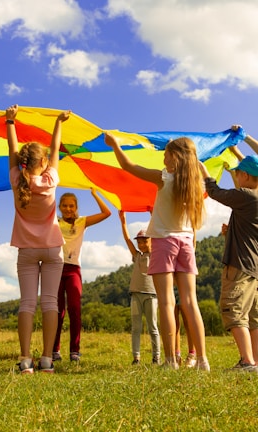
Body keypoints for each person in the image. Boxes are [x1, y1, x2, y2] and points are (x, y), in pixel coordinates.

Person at [105, 133, 210, 371]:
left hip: (164, 241)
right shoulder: (198, 184)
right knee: (191, 302)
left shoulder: (164, 178)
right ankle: (202, 360)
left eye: (166, 153)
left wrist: (115, 145)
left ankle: (171, 360)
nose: (163, 156)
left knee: (165, 302)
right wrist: (198, 164)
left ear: (175, 158)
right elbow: (202, 171)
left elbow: (128, 165)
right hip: (186, 242)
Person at [6, 104, 69, 374]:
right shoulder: (50, 180)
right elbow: (56, 150)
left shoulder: (16, 179)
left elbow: (11, 151)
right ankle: (46, 359)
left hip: (26, 251)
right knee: (50, 303)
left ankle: (24, 359)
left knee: (27, 303)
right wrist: (59, 122)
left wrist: (10, 122)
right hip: (53, 249)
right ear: (43, 164)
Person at [200, 155, 258, 372]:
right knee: (253, 317)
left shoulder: (246, 195)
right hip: (254, 267)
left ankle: (246, 361)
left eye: (237, 173)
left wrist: (204, 172)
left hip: (239, 264)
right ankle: (254, 361)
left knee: (233, 310)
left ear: (244, 175)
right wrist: (230, 233)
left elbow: (215, 193)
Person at [52, 189, 111, 362]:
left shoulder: (82, 222)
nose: (68, 208)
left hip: (73, 270)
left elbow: (106, 213)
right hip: (55, 268)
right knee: (57, 311)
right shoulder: (54, 221)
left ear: (76, 207)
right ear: (60, 207)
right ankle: (55, 350)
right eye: (65, 205)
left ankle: (74, 351)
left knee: (75, 309)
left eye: (71, 205)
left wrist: (95, 193)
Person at [118, 211, 160, 365]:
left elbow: (157, 232)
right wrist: (123, 222)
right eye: (139, 242)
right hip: (136, 295)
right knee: (136, 328)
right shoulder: (137, 255)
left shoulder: (156, 254)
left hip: (151, 295)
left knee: (153, 327)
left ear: (151, 241)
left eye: (145, 241)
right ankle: (136, 357)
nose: (141, 244)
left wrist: (153, 216)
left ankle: (156, 357)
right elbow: (127, 240)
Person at [174, 295, 196, 368]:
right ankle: (176, 356)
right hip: (170, 287)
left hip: (184, 287)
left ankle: (191, 355)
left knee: (188, 321)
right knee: (174, 324)